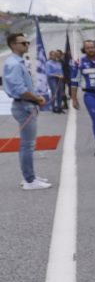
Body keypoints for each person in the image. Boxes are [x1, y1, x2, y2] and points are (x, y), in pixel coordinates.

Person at [3, 33, 50, 190]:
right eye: (23, 43)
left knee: (28, 144)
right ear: (13, 45)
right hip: (24, 105)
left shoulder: (17, 62)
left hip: (25, 104)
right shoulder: (14, 64)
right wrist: (37, 99)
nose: (27, 45)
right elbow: (20, 89)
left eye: (27, 42)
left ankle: (29, 176)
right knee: (27, 145)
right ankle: (30, 180)